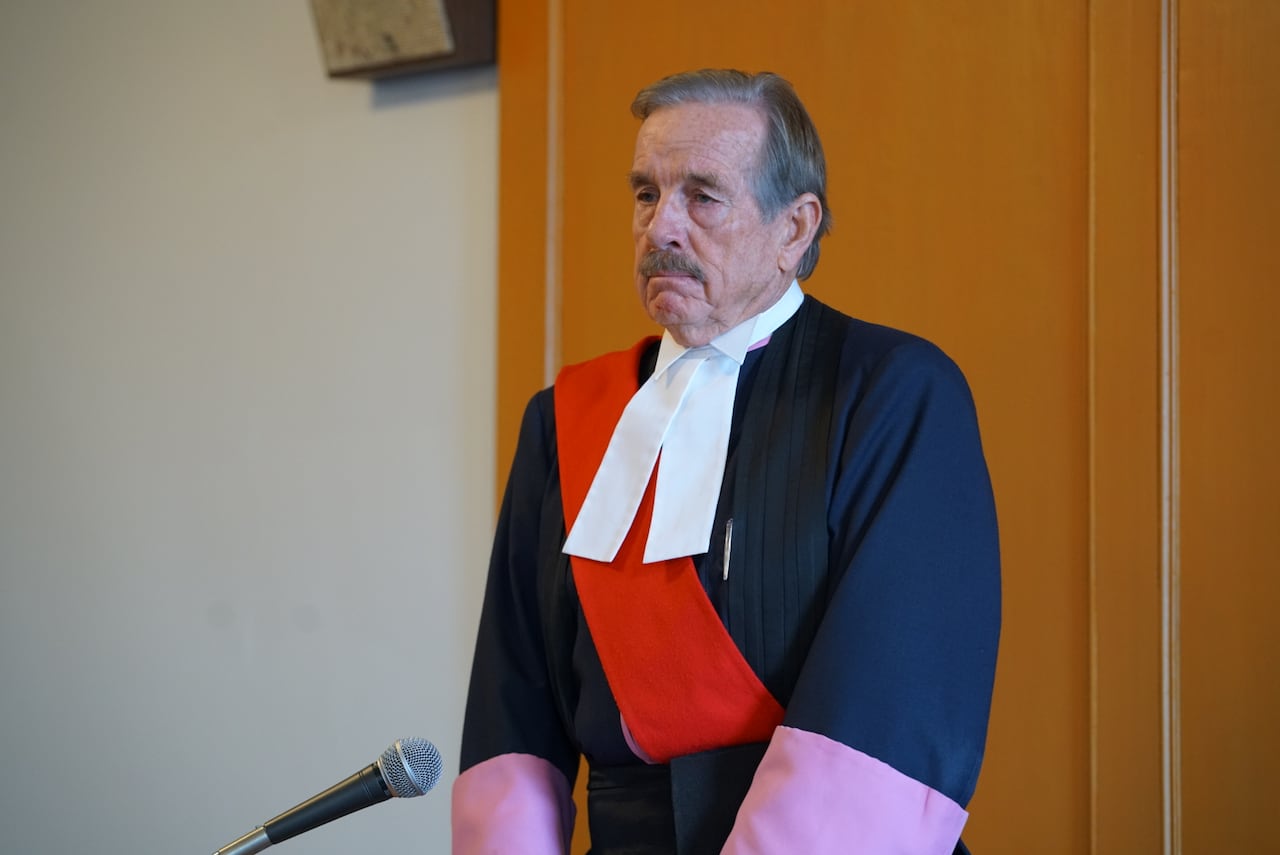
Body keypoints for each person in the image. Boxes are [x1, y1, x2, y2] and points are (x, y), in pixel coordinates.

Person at [452, 69, 1000, 855]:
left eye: (702, 196)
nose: (661, 228)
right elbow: (512, 708)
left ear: (794, 228)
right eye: (646, 194)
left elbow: (895, 699)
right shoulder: (562, 419)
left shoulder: (894, 393)